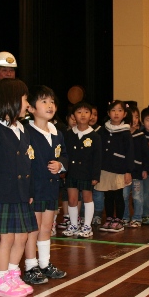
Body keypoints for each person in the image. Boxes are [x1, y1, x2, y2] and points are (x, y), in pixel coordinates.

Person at [0, 78, 36, 297]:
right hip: (2, 194)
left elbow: (28, 163)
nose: (27, 104)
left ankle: (13, 273)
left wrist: (29, 191)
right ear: (11, 101)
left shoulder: (23, 129)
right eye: (24, 99)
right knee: (8, 239)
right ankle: (0, 280)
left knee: (22, 238)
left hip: (20, 195)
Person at [22, 85, 68, 285]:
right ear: (31, 108)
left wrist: (61, 165)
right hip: (34, 188)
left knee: (47, 227)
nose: (50, 105)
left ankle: (44, 263)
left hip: (50, 188)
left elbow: (64, 154)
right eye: (43, 101)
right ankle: (30, 266)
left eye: (52, 102)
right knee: (33, 227)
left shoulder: (57, 132)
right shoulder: (26, 131)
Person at [63, 100, 102, 237]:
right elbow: (65, 154)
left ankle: (87, 226)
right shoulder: (68, 135)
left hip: (87, 173)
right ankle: (74, 224)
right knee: (72, 199)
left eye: (86, 112)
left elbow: (97, 158)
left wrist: (95, 176)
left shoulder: (95, 136)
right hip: (72, 172)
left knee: (87, 198)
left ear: (91, 115)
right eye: (79, 112)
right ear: (73, 116)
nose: (83, 115)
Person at [97, 100, 134, 233]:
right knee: (108, 195)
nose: (116, 113)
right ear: (108, 113)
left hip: (119, 168)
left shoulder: (125, 132)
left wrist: (128, 171)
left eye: (119, 110)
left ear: (124, 114)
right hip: (105, 168)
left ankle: (118, 219)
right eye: (113, 110)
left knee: (119, 195)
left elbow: (130, 153)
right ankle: (109, 219)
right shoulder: (102, 130)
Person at [124, 106, 147, 227]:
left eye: (137, 117)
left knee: (138, 196)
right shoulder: (122, 134)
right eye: (131, 116)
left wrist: (145, 168)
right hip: (125, 172)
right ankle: (125, 217)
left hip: (138, 171)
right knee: (124, 196)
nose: (134, 119)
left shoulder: (141, 135)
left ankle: (137, 217)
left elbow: (145, 154)